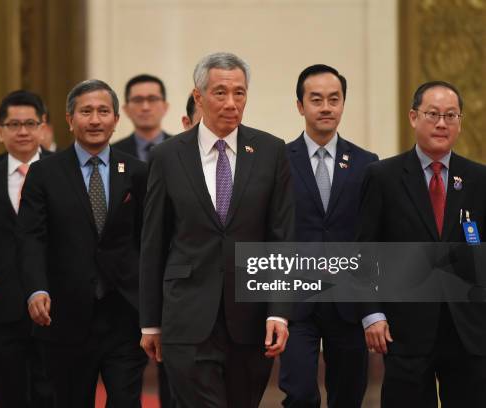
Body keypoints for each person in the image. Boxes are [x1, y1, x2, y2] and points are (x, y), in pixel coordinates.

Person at [139, 52, 295, 408]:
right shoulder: (167, 155)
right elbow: (154, 242)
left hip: (251, 317)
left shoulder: (270, 151)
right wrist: (150, 322)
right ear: (198, 97)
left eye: (239, 93)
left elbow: (282, 237)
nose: (231, 103)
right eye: (220, 92)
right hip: (187, 316)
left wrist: (278, 311)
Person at [19, 79, 148, 407]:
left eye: (103, 111)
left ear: (117, 119)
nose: (95, 120)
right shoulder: (44, 173)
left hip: (124, 313)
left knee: (126, 400)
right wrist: (37, 289)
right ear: (69, 118)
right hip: (65, 315)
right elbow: (31, 237)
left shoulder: (137, 171)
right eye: (86, 111)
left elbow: (148, 238)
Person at [358, 81, 486, 406]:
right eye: (433, 114)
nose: (442, 123)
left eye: (451, 115)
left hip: (469, 330)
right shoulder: (383, 177)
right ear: (414, 117)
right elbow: (363, 251)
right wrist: (372, 313)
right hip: (405, 329)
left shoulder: (479, 179)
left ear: (460, 122)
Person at [278, 64, 378, 408]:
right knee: (300, 392)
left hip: (347, 300)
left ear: (343, 104)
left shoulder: (367, 163)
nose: (325, 107)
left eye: (334, 99)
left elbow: (371, 237)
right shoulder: (279, 161)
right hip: (295, 299)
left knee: (348, 395)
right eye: (316, 99)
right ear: (300, 105)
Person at [0, 90, 53, 408]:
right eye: (13, 124)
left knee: (53, 395)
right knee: (7, 395)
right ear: (0, 131)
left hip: (54, 305)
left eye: (29, 123)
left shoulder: (64, 171)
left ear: (43, 127)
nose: (22, 131)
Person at [113, 74, 171, 161]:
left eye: (152, 99)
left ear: (165, 107)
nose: (145, 107)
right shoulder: (113, 153)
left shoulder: (182, 149)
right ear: (126, 109)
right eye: (137, 100)